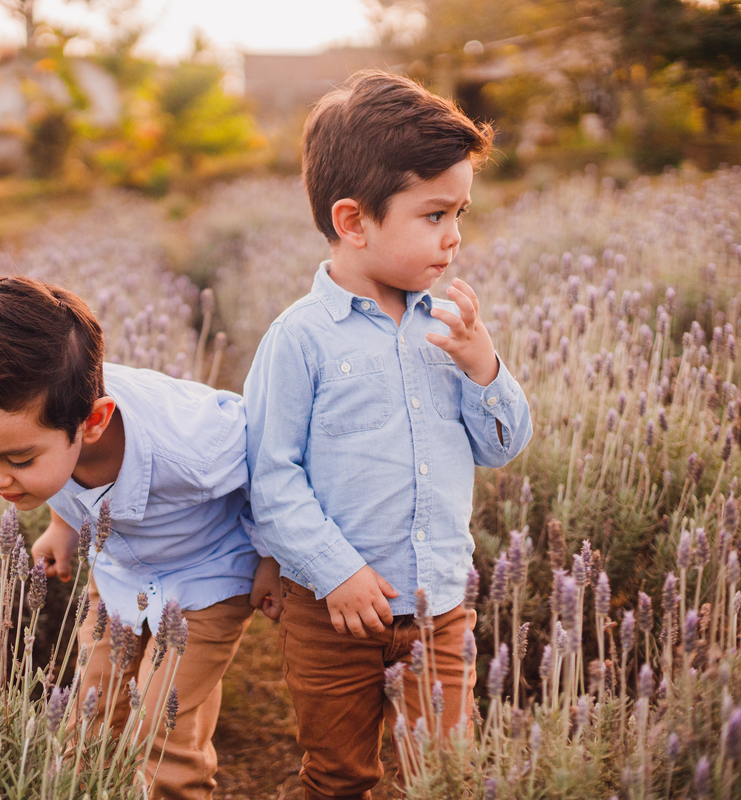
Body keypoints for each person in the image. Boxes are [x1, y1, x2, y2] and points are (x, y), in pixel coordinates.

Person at [243, 70, 533, 800]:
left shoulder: (450, 325)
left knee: (442, 775)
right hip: (332, 613)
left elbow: (503, 446)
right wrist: (332, 569)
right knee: (338, 773)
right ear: (353, 221)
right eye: (434, 215)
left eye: (461, 212)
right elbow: (269, 476)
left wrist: (481, 365)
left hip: (440, 605)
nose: (455, 236)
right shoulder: (298, 340)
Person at [0, 275, 281, 800]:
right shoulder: (47, 412)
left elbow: (270, 466)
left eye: (18, 459)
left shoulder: (192, 445)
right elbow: (65, 478)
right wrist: (61, 526)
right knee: (90, 713)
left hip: (208, 577)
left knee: (164, 733)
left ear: (92, 423)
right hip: (117, 574)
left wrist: (274, 554)